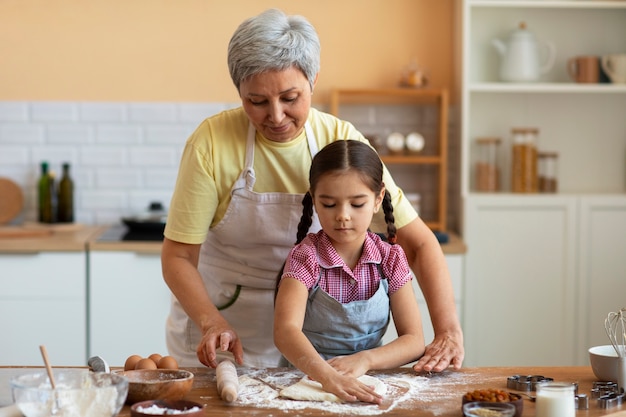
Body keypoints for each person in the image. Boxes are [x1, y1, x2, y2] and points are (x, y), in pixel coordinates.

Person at [161, 8, 463, 372]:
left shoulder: (341, 142)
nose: (275, 115)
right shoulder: (210, 143)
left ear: (313, 79)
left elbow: (419, 243)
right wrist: (211, 321)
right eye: (256, 101)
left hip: (312, 341)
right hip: (225, 326)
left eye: (290, 98)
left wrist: (447, 331)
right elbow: (178, 257)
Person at [274, 140, 425, 404]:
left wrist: (365, 360)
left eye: (357, 204)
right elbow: (285, 331)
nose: (343, 216)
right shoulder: (306, 257)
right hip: (306, 381)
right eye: (329, 204)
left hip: (367, 381)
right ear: (314, 200)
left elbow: (414, 340)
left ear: (378, 199)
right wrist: (327, 376)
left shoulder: (390, 258)